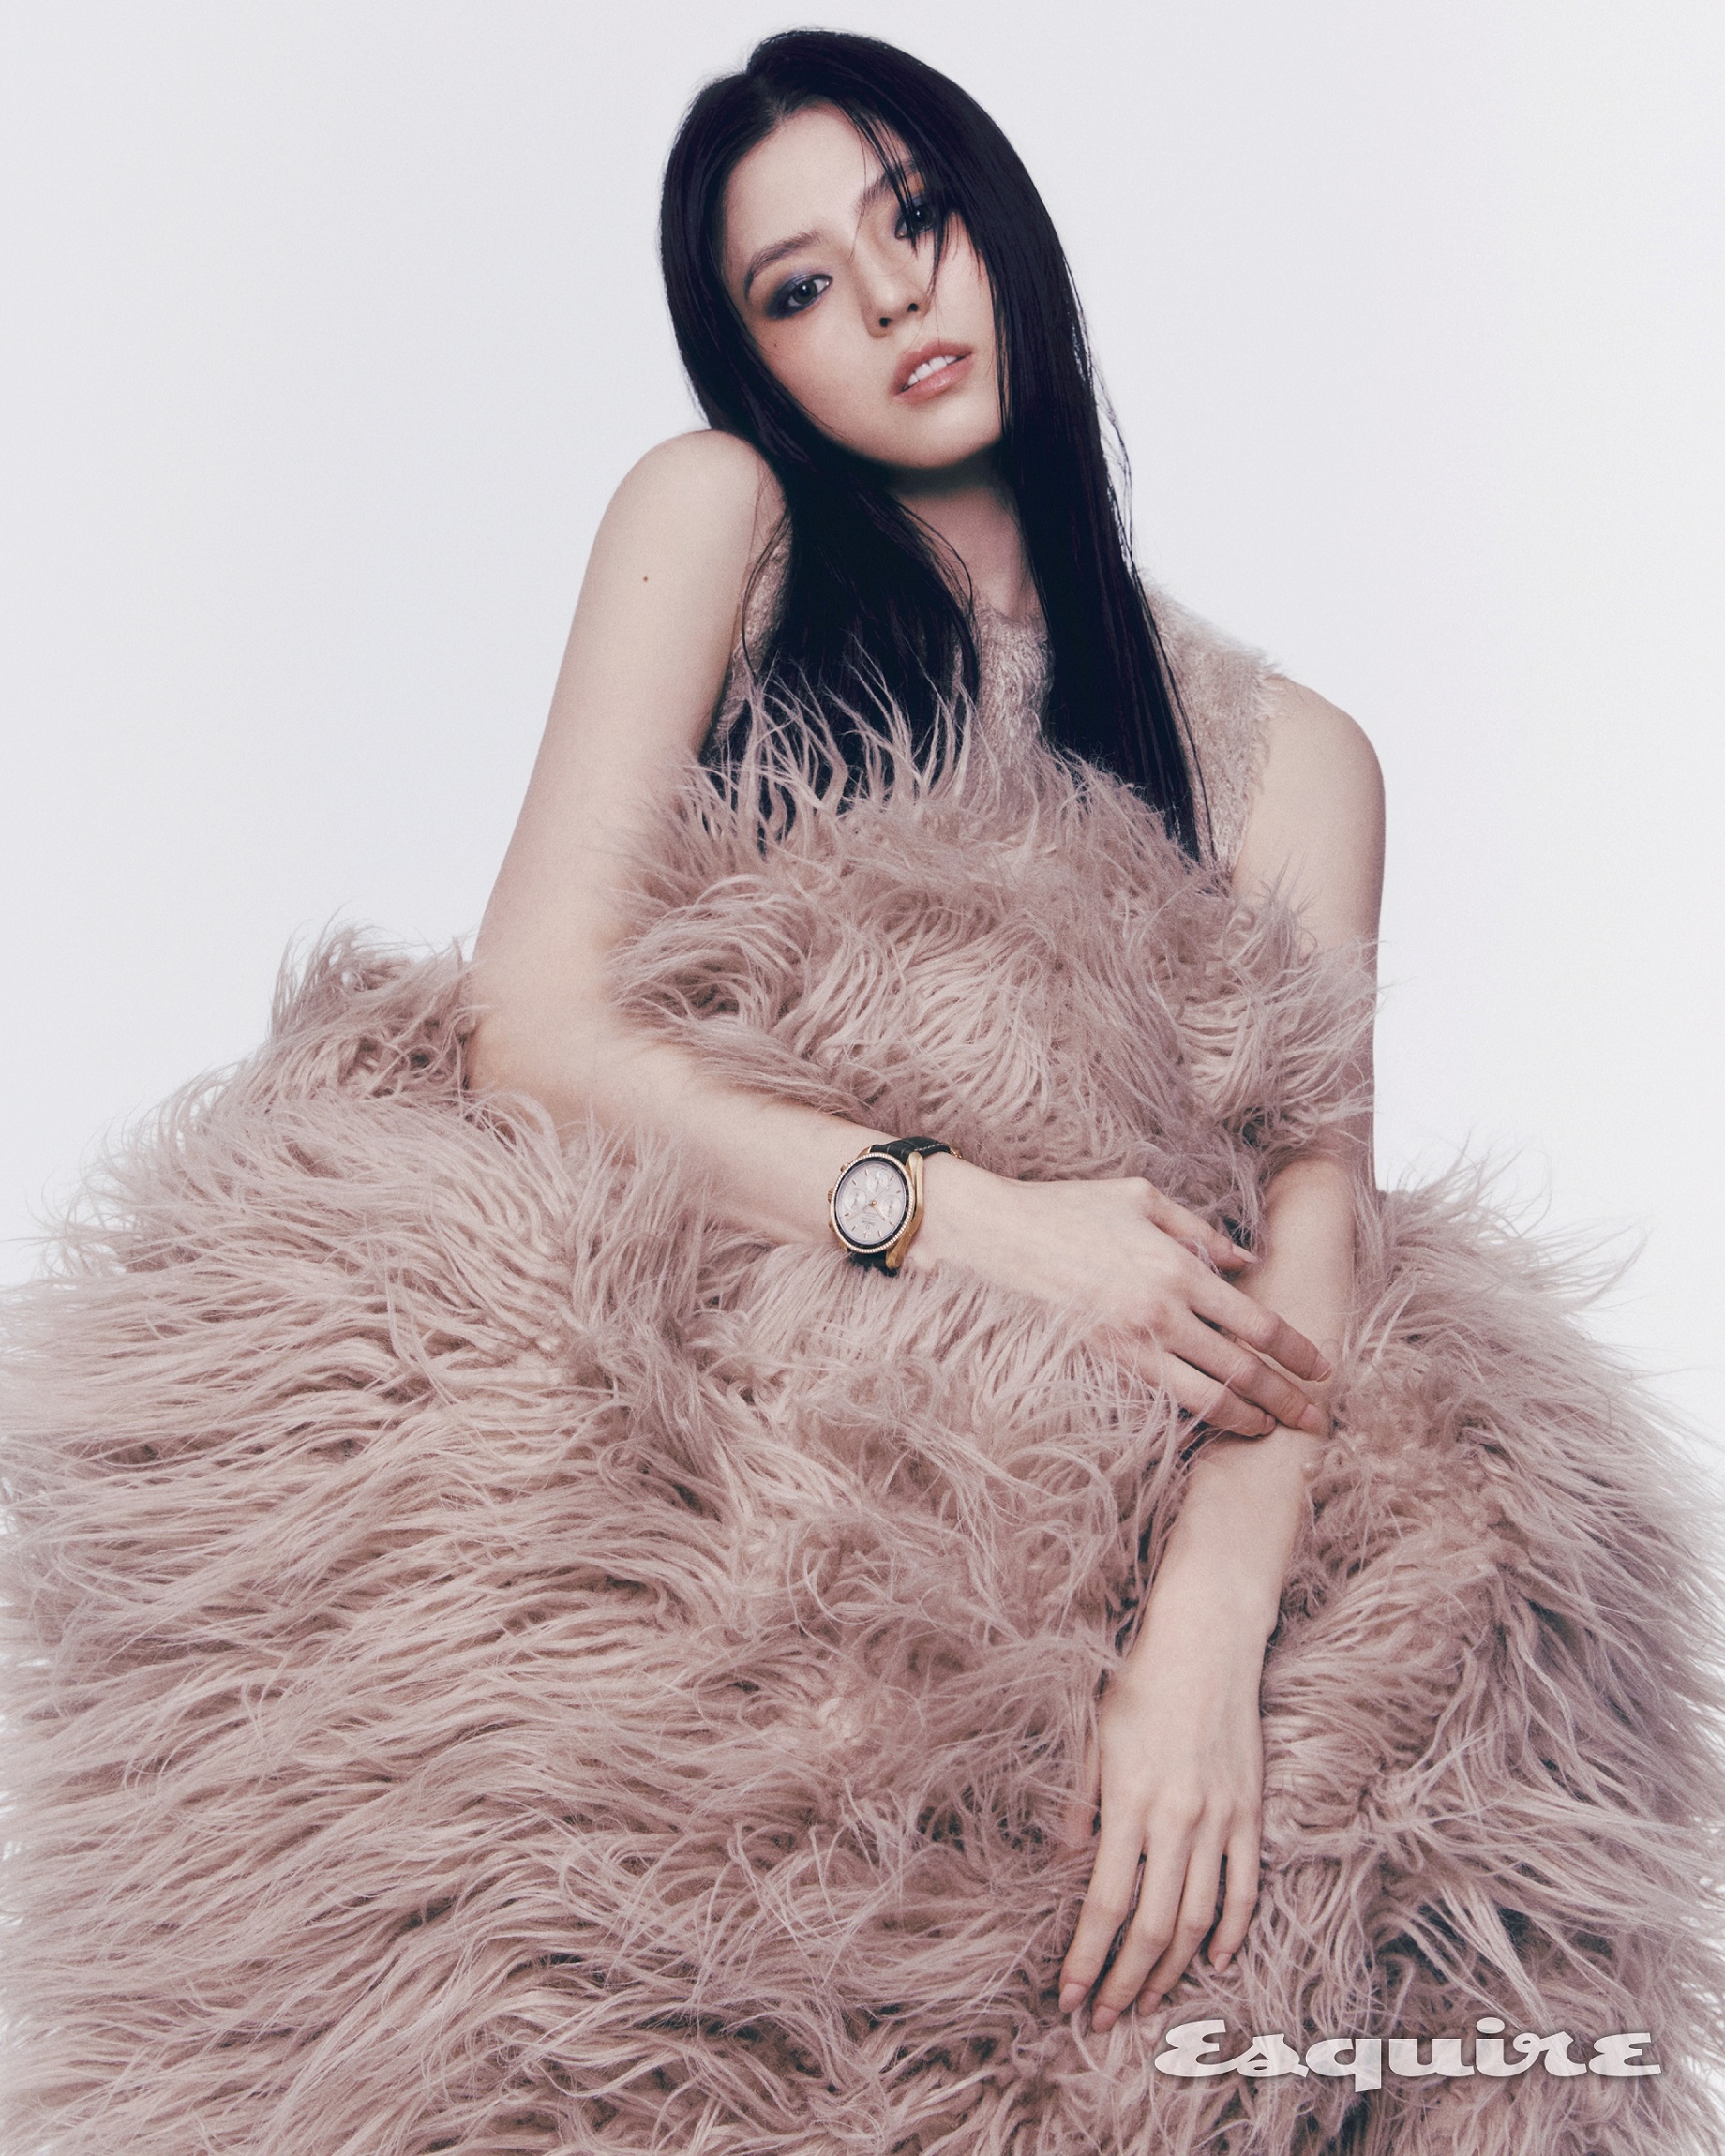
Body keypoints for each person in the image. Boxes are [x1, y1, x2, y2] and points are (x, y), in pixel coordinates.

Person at [3, 29, 1721, 2156]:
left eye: (916, 218)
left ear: (1003, 223)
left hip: (1116, 1489)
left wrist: (1205, 1629)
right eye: (801, 286)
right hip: (735, 1403)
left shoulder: (1294, 758)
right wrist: (982, 1223)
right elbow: (535, 1024)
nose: (895, 295)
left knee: (1445, 1743)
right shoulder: (718, 518)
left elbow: (1318, 1220)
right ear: (755, 358)